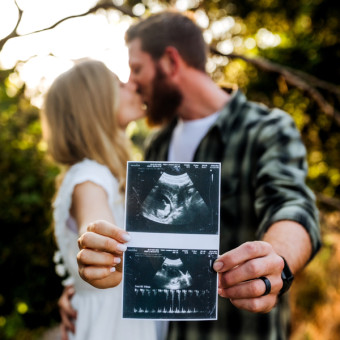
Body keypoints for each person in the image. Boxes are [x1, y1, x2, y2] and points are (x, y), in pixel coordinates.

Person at [74, 11, 322, 340]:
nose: (132, 83)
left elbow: (292, 204)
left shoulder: (265, 128)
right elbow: (143, 250)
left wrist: (278, 259)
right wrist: (83, 287)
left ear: (171, 62)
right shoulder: (157, 145)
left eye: (137, 69)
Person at [41, 59, 165, 340]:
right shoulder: (89, 177)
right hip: (110, 327)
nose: (132, 85)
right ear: (95, 104)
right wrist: (97, 248)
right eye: (119, 84)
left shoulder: (105, 173)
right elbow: (94, 226)